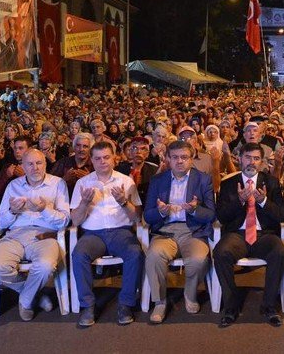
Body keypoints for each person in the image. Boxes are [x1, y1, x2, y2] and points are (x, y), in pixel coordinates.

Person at [0, 149, 70, 321]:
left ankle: (25, 300)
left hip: (44, 235)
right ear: (23, 166)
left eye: (39, 163)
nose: (35, 168)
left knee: (46, 266)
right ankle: (35, 293)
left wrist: (44, 209)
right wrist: (12, 211)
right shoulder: (13, 186)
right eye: (30, 164)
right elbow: (1, 223)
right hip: (15, 234)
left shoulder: (57, 183)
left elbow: (64, 221)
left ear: (45, 164)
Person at [212, 142, 284, 327]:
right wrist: (239, 200)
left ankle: (269, 306)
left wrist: (263, 202)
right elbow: (221, 217)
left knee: (279, 252)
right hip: (237, 235)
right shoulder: (228, 183)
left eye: (256, 158)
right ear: (239, 158)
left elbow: (281, 215)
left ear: (261, 161)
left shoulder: (271, 182)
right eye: (248, 157)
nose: (251, 162)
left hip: (264, 235)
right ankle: (231, 306)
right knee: (221, 252)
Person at [70, 141, 143, 327]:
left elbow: (136, 218)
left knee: (135, 254)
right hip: (92, 234)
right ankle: (87, 305)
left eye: (106, 157)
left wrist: (123, 202)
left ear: (114, 159)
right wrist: (85, 203)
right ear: (92, 161)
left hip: (120, 232)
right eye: (97, 158)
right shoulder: (83, 183)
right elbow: (76, 221)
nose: (102, 161)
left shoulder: (126, 181)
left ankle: (126, 304)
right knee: (78, 255)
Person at [143, 140, 215, 323]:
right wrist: (160, 211)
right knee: (153, 256)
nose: (179, 161)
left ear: (192, 159)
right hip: (165, 231)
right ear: (167, 159)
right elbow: (148, 216)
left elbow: (211, 214)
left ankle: (190, 294)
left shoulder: (203, 179)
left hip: (193, 231)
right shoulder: (158, 180)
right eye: (175, 157)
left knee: (198, 260)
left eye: (184, 157)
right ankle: (160, 301)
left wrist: (194, 210)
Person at [115, 136, 158, 206]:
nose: (138, 152)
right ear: (130, 152)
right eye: (135, 148)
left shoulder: (154, 171)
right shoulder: (120, 170)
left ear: (147, 154)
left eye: (143, 149)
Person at [51, 132, 94, 197]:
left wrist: (90, 180)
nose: (81, 149)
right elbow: (50, 187)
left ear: (90, 149)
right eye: (78, 145)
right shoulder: (62, 162)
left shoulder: (95, 165)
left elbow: (103, 190)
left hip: (88, 204)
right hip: (65, 202)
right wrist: (64, 180)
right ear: (74, 147)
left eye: (85, 146)